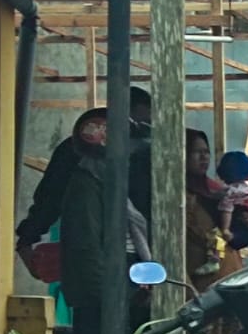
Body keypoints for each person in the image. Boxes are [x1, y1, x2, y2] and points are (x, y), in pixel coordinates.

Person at [57, 110, 151, 334]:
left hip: (113, 286)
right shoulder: (87, 183)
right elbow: (86, 247)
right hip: (100, 291)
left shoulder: (108, 181)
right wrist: (108, 297)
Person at [16, 88, 153, 281]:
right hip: (92, 266)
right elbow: (49, 198)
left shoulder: (147, 156)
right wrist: (28, 239)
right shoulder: (76, 158)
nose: (135, 132)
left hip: (135, 263)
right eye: (134, 124)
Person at [183, 130, 246, 334]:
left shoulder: (220, 193)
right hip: (199, 284)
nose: (204, 158)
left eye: (206, 152)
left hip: (230, 279)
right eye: (196, 152)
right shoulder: (175, 194)